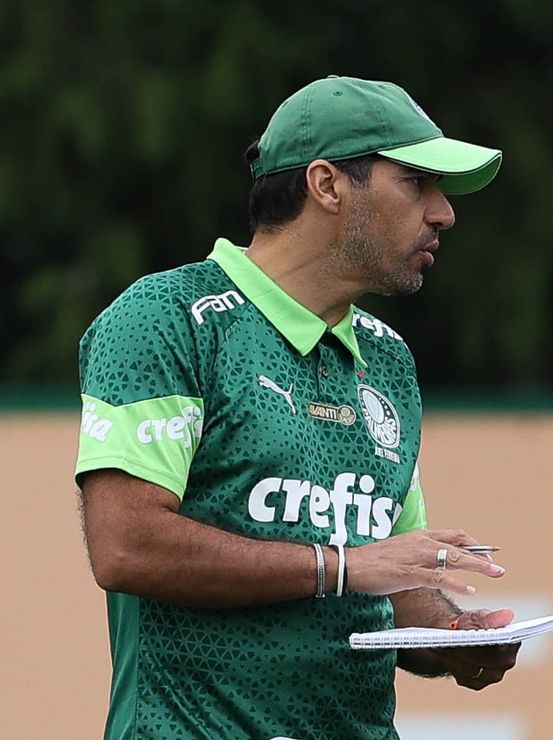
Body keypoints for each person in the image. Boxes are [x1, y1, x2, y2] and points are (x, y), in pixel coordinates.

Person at [75, 75, 520, 739]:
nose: (443, 212)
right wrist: (340, 567)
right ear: (327, 184)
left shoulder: (388, 357)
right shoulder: (165, 319)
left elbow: (388, 580)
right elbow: (125, 545)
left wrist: (452, 636)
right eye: (416, 183)